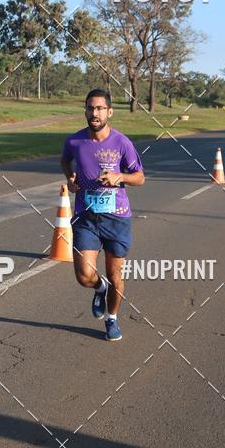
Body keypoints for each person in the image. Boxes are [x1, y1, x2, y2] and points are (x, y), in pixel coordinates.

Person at [60, 89, 145, 341]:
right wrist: (71, 176)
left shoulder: (122, 143)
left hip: (117, 219)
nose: (94, 113)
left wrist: (120, 177)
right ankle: (100, 288)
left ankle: (112, 319)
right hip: (86, 217)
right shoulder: (74, 142)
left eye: (99, 108)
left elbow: (140, 177)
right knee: (84, 275)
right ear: (85, 111)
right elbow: (65, 160)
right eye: (90, 108)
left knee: (115, 275)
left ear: (109, 111)